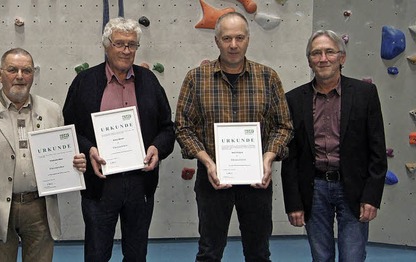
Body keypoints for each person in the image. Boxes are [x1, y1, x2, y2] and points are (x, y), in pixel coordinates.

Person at [175, 12, 293, 262]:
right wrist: (208, 162)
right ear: (216, 40)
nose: (233, 45)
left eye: (239, 38)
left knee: (259, 252)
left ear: (248, 39)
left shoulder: (268, 77)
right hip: (212, 177)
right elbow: (183, 127)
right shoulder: (196, 78)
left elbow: (284, 126)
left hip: (257, 180)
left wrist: (268, 158)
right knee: (209, 251)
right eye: (226, 38)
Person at [0, 47, 87, 262]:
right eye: (12, 70)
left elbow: (62, 157)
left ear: (33, 75)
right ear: (0, 74)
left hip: (40, 209)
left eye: (26, 70)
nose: (19, 76)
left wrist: (74, 164)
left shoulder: (52, 110)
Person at [63, 17, 175, 262]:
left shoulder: (149, 81)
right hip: (100, 184)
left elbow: (167, 128)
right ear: (106, 45)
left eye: (132, 45)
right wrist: (88, 148)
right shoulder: (84, 82)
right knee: (96, 253)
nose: (126, 51)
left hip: (140, 183)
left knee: (136, 254)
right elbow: (69, 128)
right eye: (120, 44)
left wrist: (157, 148)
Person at [281, 30, 387, 262]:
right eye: (316, 53)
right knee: (321, 257)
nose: (323, 58)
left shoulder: (365, 94)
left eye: (330, 52)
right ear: (309, 60)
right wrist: (293, 203)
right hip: (314, 189)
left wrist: (371, 197)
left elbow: (377, 150)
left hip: (354, 189)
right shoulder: (293, 100)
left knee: (353, 257)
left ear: (342, 57)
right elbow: (291, 158)